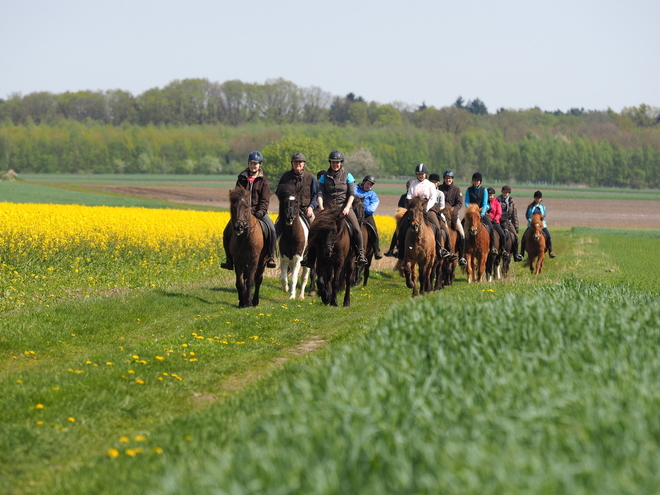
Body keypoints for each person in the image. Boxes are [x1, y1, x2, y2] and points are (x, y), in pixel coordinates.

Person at [221, 151, 277, 270]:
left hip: (259, 212)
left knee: (271, 229)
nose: (253, 166)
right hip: (242, 213)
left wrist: (261, 211)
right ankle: (229, 259)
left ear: (260, 164)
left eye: (256, 164)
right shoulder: (241, 178)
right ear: (248, 164)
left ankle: (271, 256)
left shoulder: (263, 181)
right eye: (251, 163)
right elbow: (236, 197)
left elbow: (265, 199)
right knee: (226, 231)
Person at [315, 150, 368, 266]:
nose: (335, 164)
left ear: (341, 163)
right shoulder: (324, 177)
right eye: (333, 162)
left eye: (338, 162)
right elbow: (319, 194)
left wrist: (348, 207)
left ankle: (360, 254)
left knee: (356, 229)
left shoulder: (348, 175)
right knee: (314, 228)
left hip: (344, 207)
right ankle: (310, 255)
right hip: (328, 209)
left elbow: (352, 194)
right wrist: (321, 207)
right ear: (330, 163)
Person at [395, 163, 451, 260]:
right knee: (402, 225)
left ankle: (440, 249)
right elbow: (409, 197)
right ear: (417, 175)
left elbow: (433, 198)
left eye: (422, 174)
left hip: (428, 209)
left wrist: (426, 208)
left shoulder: (430, 185)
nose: (420, 176)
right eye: (419, 174)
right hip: (415, 209)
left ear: (426, 174)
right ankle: (399, 250)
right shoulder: (413, 185)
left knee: (438, 226)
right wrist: (413, 206)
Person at [275, 152, 319, 226]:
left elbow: (316, 194)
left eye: (300, 162)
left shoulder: (310, 177)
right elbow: (279, 193)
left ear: (304, 164)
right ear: (292, 163)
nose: (298, 163)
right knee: (276, 226)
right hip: (288, 211)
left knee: (315, 228)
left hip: (305, 210)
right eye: (295, 162)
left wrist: (311, 207)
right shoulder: (285, 177)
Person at [438, 170, 467, 267]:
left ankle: (462, 257)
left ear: (452, 179)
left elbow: (459, 203)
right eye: (446, 178)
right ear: (444, 179)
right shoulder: (439, 188)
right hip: (442, 215)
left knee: (462, 233)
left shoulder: (457, 189)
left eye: (449, 178)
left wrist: (454, 209)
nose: (448, 180)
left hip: (453, 215)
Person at [464, 172, 498, 254]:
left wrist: (482, 213)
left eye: (478, 181)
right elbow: (466, 203)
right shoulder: (468, 190)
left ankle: (492, 247)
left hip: (481, 214)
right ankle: (461, 250)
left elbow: (485, 203)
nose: (476, 182)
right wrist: (471, 210)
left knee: (491, 228)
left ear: (480, 181)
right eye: (475, 180)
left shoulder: (484, 190)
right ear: (472, 181)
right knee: (461, 228)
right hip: (471, 214)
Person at [354, 175, 383, 259]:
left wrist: (362, 208)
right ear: (364, 182)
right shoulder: (355, 189)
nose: (368, 186)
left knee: (373, 229)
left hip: (366, 215)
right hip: (353, 213)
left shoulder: (373, 195)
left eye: (371, 185)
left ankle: (376, 250)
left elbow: (372, 208)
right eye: (368, 183)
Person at [522, 190, 556, 258]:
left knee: (549, 237)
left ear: (541, 199)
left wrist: (539, 222)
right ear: (534, 198)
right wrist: (532, 221)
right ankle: (521, 253)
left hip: (541, 226)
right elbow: (528, 215)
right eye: (536, 198)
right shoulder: (530, 207)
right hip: (531, 225)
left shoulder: (543, 207)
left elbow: (544, 216)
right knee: (524, 237)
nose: (537, 199)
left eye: (539, 198)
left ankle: (550, 251)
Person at [385, 180, 412, 257]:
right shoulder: (403, 197)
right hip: (404, 218)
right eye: (408, 186)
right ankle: (392, 249)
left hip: (413, 218)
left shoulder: (415, 197)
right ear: (406, 187)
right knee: (397, 231)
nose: (409, 188)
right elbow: (400, 208)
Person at [497, 185, 524, 262]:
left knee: (515, 236)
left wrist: (516, 226)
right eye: (504, 192)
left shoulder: (511, 201)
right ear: (502, 192)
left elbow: (514, 215)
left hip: (508, 221)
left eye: (507, 193)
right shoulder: (497, 200)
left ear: (509, 193)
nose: (505, 194)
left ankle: (516, 254)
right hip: (498, 221)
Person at [487, 187, 509, 258]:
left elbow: (499, 213)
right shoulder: (484, 203)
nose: (490, 196)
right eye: (488, 195)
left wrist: (494, 219)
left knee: (502, 235)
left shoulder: (497, 203)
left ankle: (503, 250)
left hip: (495, 222)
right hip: (486, 222)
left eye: (491, 195)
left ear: (494, 195)